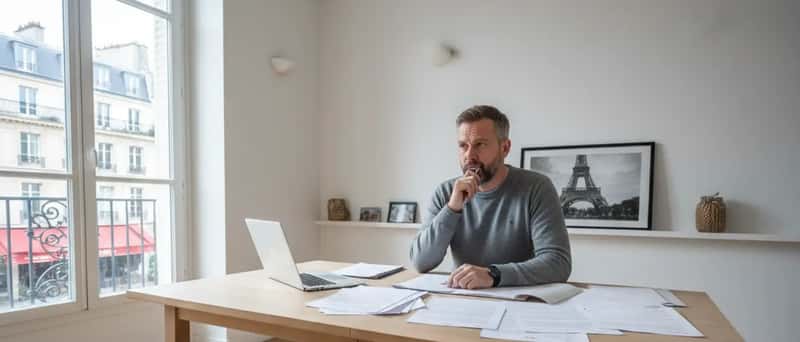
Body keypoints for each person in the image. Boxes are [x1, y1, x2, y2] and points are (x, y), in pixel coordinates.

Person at [409, 105, 571, 289]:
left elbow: (558, 263)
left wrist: (493, 275)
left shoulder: (537, 187)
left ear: (505, 148)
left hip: (519, 300)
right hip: (463, 298)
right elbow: (421, 262)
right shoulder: (446, 192)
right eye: (463, 145)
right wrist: (452, 208)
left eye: (480, 144)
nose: (469, 155)